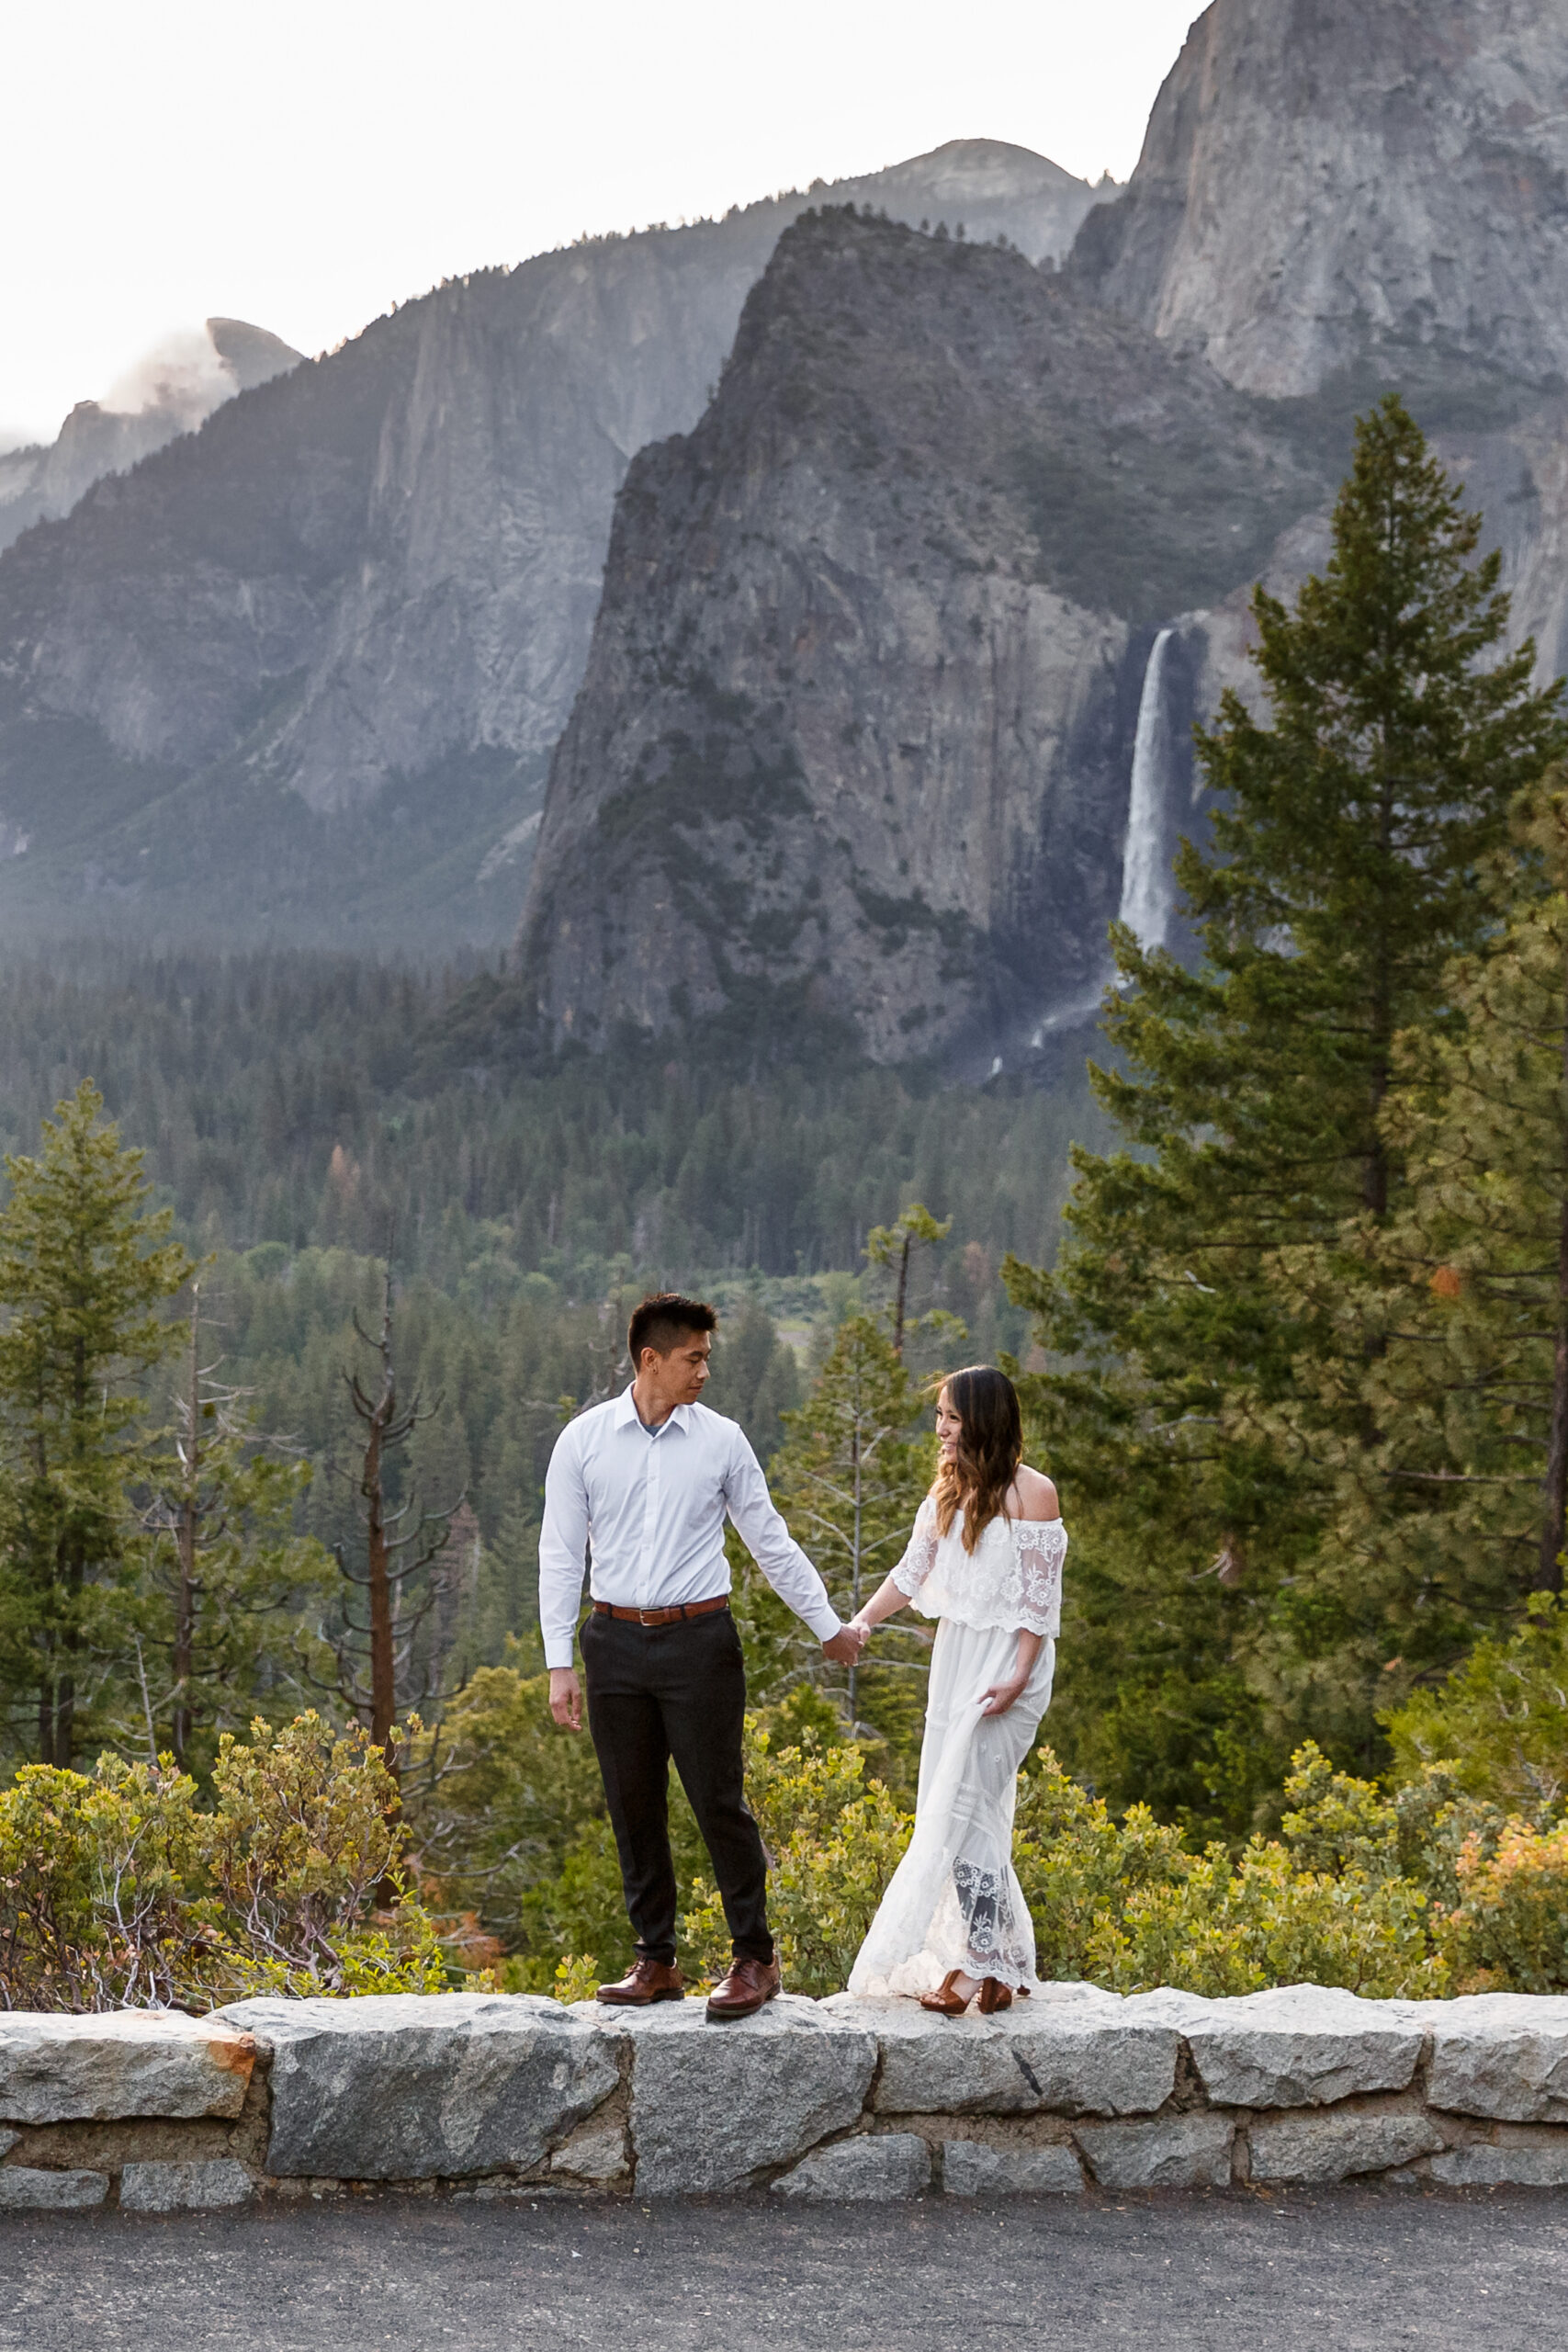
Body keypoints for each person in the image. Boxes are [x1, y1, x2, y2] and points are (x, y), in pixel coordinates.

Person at [540, 1292, 864, 2020]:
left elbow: (769, 1540)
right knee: (633, 1805)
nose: (703, 1372)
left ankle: (755, 1957)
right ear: (650, 1359)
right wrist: (560, 1659)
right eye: (693, 1358)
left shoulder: (721, 1441)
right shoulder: (584, 1441)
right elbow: (559, 1553)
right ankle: (654, 1961)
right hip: (612, 1641)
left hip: (699, 1642)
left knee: (717, 1801)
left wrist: (826, 1625)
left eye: (706, 1359)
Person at [845, 1364, 1066, 2015]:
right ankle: (993, 1962)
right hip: (957, 1660)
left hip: (1008, 1665)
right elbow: (909, 1575)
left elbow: (1038, 1601)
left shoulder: (1033, 1494)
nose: (939, 1428)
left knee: (967, 1807)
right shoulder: (945, 1494)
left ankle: (974, 1965)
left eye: (951, 1416)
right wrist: (859, 1623)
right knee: (966, 1813)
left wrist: (1017, 1675)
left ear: (983, 1420)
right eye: (938, 1416)